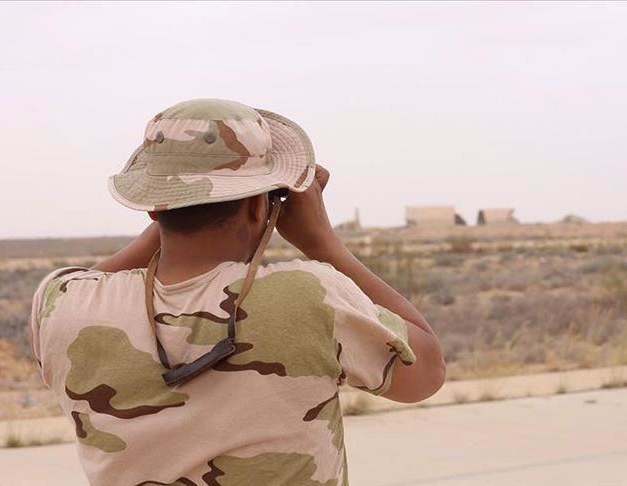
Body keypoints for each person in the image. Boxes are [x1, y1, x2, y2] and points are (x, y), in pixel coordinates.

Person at [29, 98, 445, 485]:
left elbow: (84, 281)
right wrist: (323, 243)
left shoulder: (63, 304)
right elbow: (425, 373)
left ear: (153, 208)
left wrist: (177, 201)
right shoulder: (311, 296)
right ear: (258, 206)